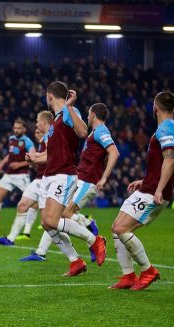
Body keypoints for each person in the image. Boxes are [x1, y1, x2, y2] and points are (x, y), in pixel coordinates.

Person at [20, 103, 119, 266]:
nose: (87, 117)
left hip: (87, 181)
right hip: (81, 178)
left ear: (93, 115)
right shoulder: (94, 133)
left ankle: (91, 233)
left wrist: (104, 177)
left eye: (88, 114)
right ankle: (69, 257)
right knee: (50, 219)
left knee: (61, 215)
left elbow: (114, 152)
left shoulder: (101, 131)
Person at [110, 91, 174, 290]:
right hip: (149, 187)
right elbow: (163, 162)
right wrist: (144, 181)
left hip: (155, 192)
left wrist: (158, 189)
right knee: (116, 227)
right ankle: (128, 276)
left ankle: (148, 270)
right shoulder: (170, 128)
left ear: (155, 107)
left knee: (121, 229)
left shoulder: (166, 128)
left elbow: (169, 159)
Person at [38, 82, 107, 277]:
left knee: (52, 220)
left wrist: (69, 106)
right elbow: (53, 152)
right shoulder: (56, 121)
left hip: (63, 174)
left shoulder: (69, 111)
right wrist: (35, 159)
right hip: (49, 174)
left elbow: (83, 132)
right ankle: (75, 261)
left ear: (49, 96)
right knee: (46, 223)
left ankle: (95, 240)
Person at [0, 111, 53, 245]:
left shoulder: (51, 137)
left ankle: (87, 229)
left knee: (50, 220)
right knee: (22, 205)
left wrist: (34, 159)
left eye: (37, 122)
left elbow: (52, 157)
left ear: (44, 123)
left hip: (49, 180)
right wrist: (34, 160)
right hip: (38, 179)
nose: (36, 125)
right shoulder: (43, 141)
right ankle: (10, 239)